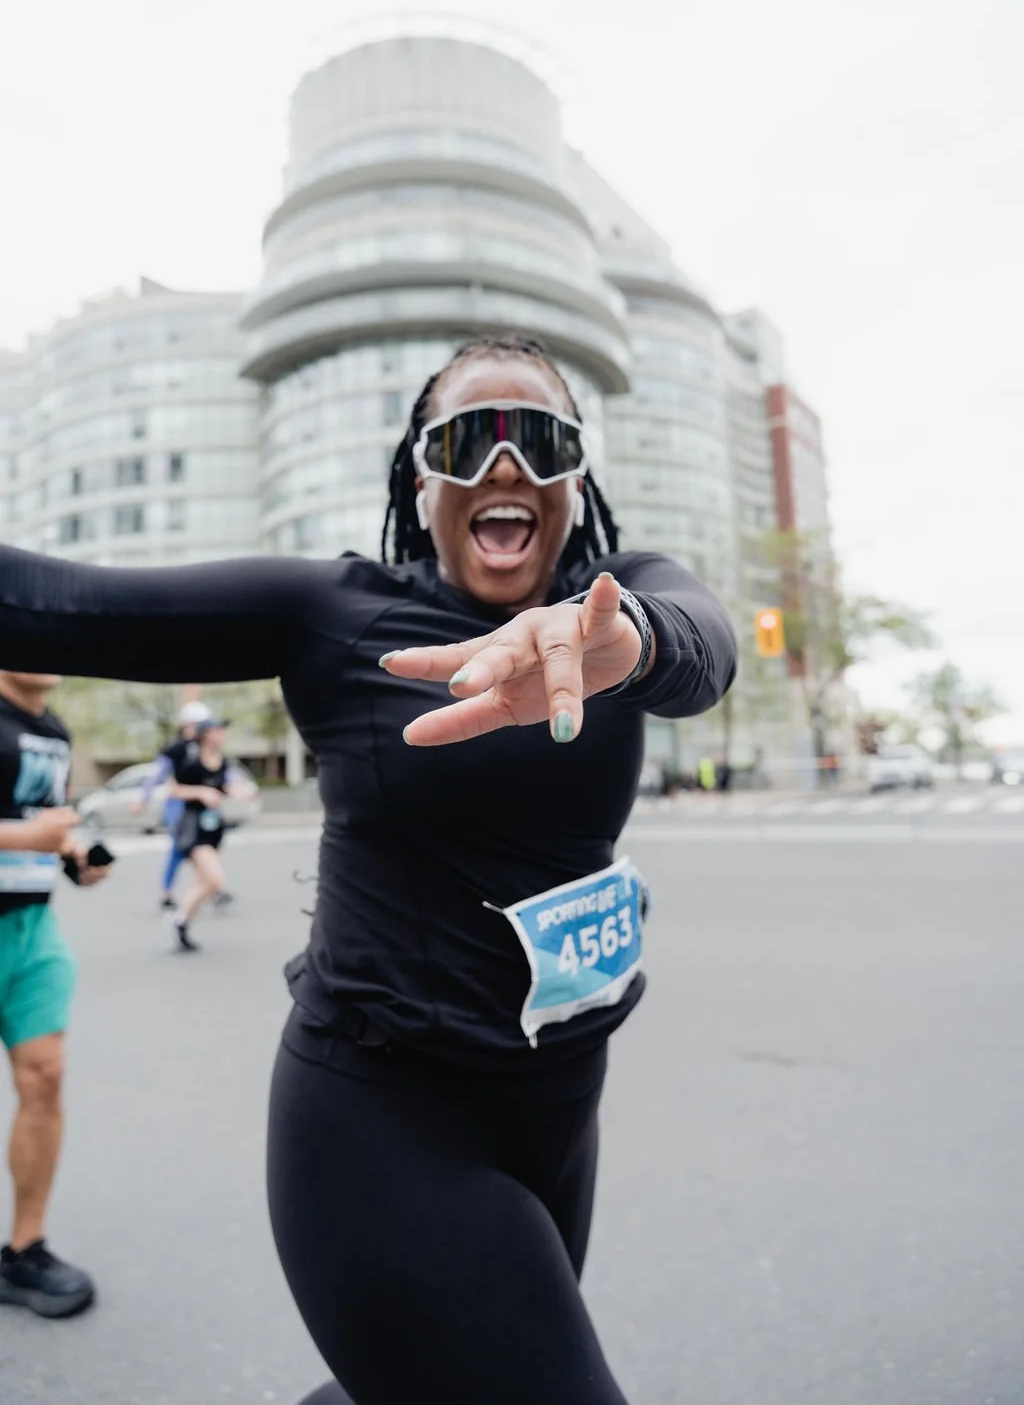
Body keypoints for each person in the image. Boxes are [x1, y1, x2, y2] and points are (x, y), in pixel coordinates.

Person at [0, 334, 736, 1400]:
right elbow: (61, 604)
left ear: (576, 475)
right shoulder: (333, 614)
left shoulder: (613, 605)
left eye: (541, 440)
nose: (505, 469)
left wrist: (640, 646)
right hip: (382, 1116)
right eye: (467, 440)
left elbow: (703, 643)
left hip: (557, 1102)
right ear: (420, 475)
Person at [0, 670, 112, 1318]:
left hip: (32, 930)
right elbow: (23, 830)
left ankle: (24, 1250)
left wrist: (74, 857)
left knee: (44, 1078)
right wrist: (27, 837)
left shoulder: (52, 729)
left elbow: (47, 821)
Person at [165, 714, 240, 952]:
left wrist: (237, 791)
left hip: (214, 827)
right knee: (215, 879)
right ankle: (179, 918)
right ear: (206, 735)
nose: (222, 735)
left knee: (203, 882)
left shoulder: (223, 761)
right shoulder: (190, 760)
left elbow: (222, 786)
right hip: (193, 827)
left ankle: (182, 921)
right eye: (218, 730)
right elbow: (173, 789)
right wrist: (200, 792)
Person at [136, 699, 212, 909]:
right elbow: (156, 775)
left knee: (203, 846)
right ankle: (167, 892)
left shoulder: (203, 748)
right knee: (180, 849)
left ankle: (209, 885)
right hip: (178, 806)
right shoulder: (176, 749)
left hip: (198, 805)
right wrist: (143, 798)